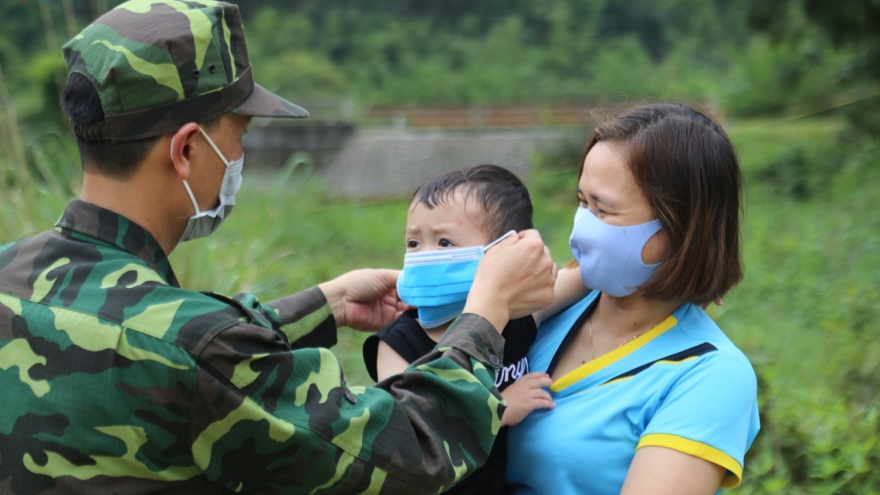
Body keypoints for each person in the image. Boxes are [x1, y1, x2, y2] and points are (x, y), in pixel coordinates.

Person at [0, 2, 558, 494]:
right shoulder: (193, 345)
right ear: (187, 150)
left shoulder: (11, 271)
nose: (241, 153)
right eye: (239, 133)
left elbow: (176, 342)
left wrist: (327, 304)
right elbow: (412, 450)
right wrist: (487, 311)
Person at [506, 103, 760, 495]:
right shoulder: (551, 310)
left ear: (681, 227)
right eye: (581, 202)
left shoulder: (711, 376)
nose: (583, 224)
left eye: (604, 210)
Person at [363, 164, 586, 494]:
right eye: (413, 243)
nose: (424, 257)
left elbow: (586, 274)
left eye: (444, 242)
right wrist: (499, 409)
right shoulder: (398, 344)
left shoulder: (519, 314)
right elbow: (403, 438)